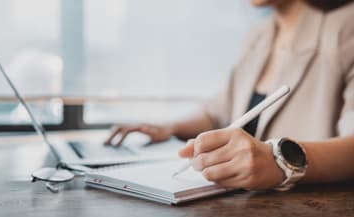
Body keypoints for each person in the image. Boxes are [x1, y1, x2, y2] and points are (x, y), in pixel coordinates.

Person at [105, 0, 354, 190]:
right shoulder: (260, 34)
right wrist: (169, 127)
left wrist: (279, 161)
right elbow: (220, 111)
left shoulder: (346, 24)